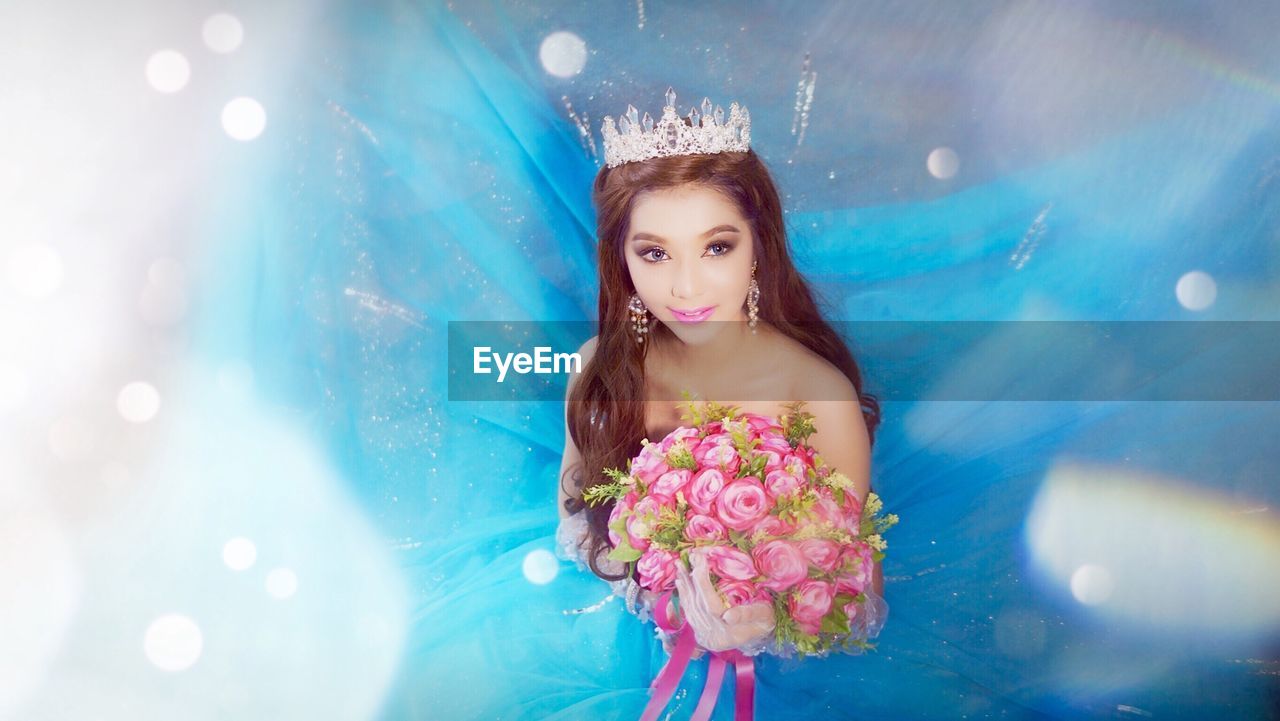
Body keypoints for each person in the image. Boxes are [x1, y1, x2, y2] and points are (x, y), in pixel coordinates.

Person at [555, 88, 887, 667]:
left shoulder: (817, 397)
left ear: (758, 247)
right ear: (622, 262)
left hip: (770, 668)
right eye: (655, 254)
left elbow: (856, 596)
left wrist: (761, 623)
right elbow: (574, 523)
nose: (687, 289)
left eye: (716, 247)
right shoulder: (599, 369)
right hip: (623, 639)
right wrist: (656, 596)